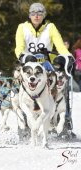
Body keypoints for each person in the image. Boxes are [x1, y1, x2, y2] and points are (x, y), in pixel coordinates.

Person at [15, 2, 75, 138]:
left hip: (45, 64)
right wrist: (24, 56)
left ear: (44, 15)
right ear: (29, 15)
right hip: (27, 64)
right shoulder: (22, 28)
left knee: (60, 85)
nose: (36, 16)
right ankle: (23, 122)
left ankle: (64, 120)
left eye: (40, 13)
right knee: (17, 87)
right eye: (33, 13)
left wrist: (68, 56)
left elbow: (60, 46)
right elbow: (19, 47)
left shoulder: (50, 27)